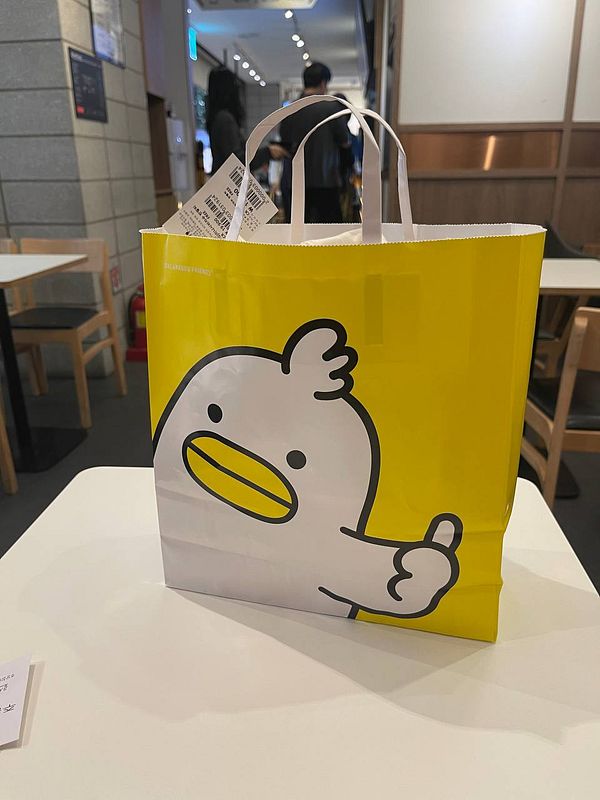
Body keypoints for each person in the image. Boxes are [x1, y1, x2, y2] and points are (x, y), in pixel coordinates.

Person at [279, 63, 351, 224]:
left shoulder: (290, 110)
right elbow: (344, 142)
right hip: (326, 182)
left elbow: (284, 145)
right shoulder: (332, 108)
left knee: (297, 236)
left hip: (294, 183)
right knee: (329, 238)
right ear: (323, 83)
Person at [207, 67, 288, 174]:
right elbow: (237, 160)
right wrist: (268, 152)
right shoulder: (225, 120)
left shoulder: (217, 118)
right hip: (228, 182)